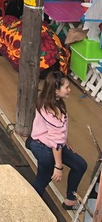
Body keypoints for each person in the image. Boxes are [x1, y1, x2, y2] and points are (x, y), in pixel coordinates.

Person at [28, 71, 87, 209]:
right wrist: (58, 166)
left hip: (52, 144)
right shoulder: (52, 110)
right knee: (44, 179)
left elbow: (58, 135)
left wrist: (65, 140)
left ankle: (70, 200)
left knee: (80, 165)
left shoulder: (53, 102)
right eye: (66, 87)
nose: (69, 89)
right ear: (55, 90)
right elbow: (56, 143)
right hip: (43, 147)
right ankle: (29, 206)